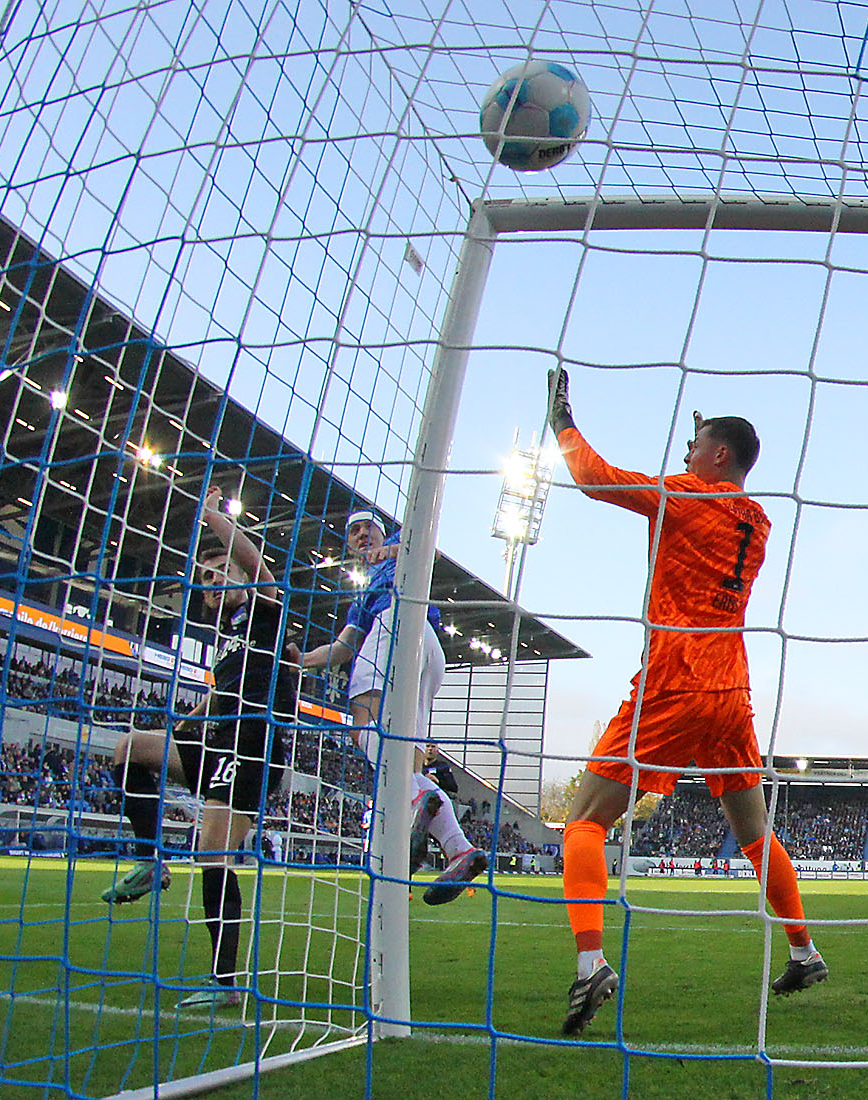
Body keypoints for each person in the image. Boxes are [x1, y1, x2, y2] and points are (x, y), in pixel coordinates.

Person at [544, 368, 825, 1037]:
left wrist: (562, 423)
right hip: (731, 688)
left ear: (719, 454)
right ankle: (803, 951)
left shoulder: (688, 497)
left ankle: (591, 964)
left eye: (695, 444)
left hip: (675, 680)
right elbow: (704, 501)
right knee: (755, 835)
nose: (687, 452)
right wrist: (696, 463)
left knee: (582, 823)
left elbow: (594, 477)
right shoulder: (756, 522)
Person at [102, 485, 297, 1010]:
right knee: (128, 750)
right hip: (217, 738)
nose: (210, 583)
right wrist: (179, 726)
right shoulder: (224, 634)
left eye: (218, 573)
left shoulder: (264, 613)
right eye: (205, 578)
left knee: (214, 852)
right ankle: (150, 861)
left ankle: (224, 983)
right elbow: (217, 696)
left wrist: (212, 517)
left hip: (254, 745)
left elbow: (256, 565)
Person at [297, 510, 485, 903]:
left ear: (382, 533)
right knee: (410, 762)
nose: (362, 535)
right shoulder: (362, 596)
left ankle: (415, 800)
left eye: (368, 528)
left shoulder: (400, 546)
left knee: (362, 722)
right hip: (426, 648)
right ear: (348, 543)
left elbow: (425, 550)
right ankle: (458, 848)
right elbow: (343, 647)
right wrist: (300, 659)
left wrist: (390, 550)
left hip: (399, 625)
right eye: (354, 531)